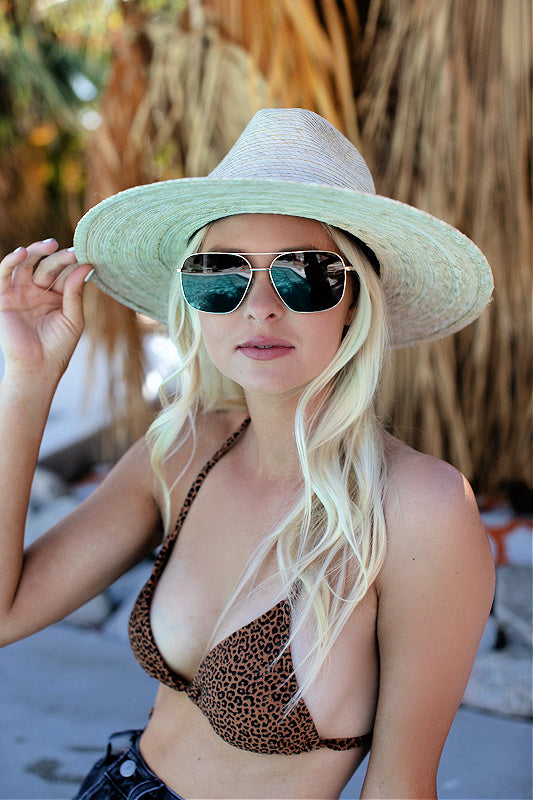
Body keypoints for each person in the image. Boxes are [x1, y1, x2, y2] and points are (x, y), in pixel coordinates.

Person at [0, 108, 495, 800]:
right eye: (219, 274)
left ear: (354, 300)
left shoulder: (418, 507)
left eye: (305, 274)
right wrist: (27, 381)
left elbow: (401, 786)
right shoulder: (181, 451)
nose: (259, 306)